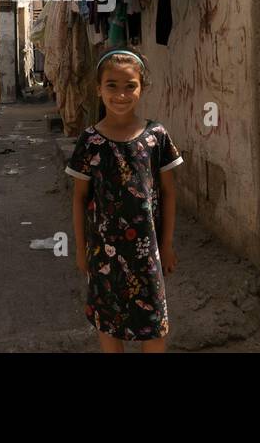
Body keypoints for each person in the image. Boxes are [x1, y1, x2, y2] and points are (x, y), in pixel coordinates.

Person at [65, 46, 183, 352]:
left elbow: (169, 193)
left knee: (154, 322)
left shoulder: (156, 137)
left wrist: (167, 245)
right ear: (98, 89)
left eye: (130, 86)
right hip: (104, 253)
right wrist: (81, 250)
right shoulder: (90, 141)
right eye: (112, 86)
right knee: (109, 321)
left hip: (147, 252)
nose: (121, 94)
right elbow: (79, 199)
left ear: (142, 88)